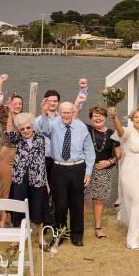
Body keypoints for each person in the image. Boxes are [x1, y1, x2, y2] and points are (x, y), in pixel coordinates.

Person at [35, 97, 95, 246]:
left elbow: (89, 150)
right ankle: (60, 234)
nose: (66, 115)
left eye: (69, 112)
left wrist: (88, 172)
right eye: (64, 112)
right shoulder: (53, 125)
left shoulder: (81, 127)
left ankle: (77, 235)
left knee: (77, 203)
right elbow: (42, 129)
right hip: (59, 168)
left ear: (73, 112)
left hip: (77, 167)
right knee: (59, 204)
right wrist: (43, 111)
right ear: (60, 113)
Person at [2, 113, 50, 247]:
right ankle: (16, 239)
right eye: (22, 129)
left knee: (38, 208)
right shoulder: (17, 139)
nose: (25, 131)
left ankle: (41, 238)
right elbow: (9, 131)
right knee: (17, 210)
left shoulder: (40, 139)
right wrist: (10, 114)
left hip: (37, 180)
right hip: (20, 179)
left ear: (32, 126)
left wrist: (46, 182)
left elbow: (41, 161)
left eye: (28, 127)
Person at [110, 105, 139, 250]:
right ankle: (133, 242)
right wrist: (114, 117)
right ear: (132, 119)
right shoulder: (129, 132)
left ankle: (137, 235)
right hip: (131, 170)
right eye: (136, 117)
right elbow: (119, 130)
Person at [83, 104, 121, 240]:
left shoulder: (112, 134)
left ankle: (98, 228)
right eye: (95, 116)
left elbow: (119, 154)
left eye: (100, 116)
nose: (97, 119)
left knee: (98, 201)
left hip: (103, 172)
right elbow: (74, 116)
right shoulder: (86, 129)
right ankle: (78, 227)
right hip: (85, 171)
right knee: (83, 200)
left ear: (105, 118)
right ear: (91, 118)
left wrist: (109, 162)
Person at [0, 93, 24, 227]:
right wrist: (1, 84)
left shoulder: (23, 119)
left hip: (20, 156)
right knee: (6, 188)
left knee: (19, 187)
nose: (18, 106)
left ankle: (17, 216)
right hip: (7, 154)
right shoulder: (4, 116)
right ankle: (3, 219)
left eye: (20, 104)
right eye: (15, 103)